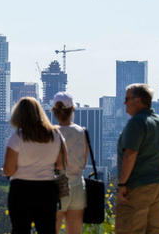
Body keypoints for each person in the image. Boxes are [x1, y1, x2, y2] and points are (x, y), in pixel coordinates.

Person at [115, 83, 159, 234]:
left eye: (127, 98)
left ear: (138, 100)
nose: (124, 103)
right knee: (156, 230)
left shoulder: (137, 122)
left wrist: (122, 184)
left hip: (139, 186)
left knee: (130, 228)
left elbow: (130, 154)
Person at [4, 97, 67, 234]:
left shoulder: (16, 138)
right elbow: (62, 164)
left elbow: (8, 170)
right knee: (47, 230)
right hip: (47, 189)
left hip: (21, 190)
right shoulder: (56, 135)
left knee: (20, 229)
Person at [52, 92, 87, 234]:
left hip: (57, 186)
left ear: (54, 111)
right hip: (78, 185)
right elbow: (84, 163)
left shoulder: (51, 132)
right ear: (72, 109)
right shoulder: (82, 132)